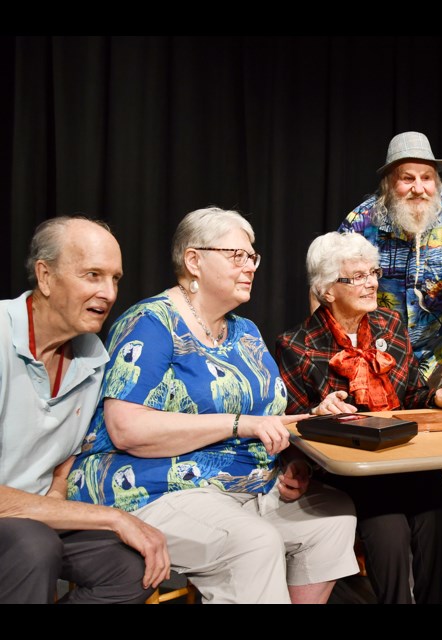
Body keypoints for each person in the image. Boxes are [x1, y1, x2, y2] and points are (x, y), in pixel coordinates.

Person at [67, 207, 358, 604]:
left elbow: (263, 421)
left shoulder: (246, 332)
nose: (250, 266)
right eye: (237, 255)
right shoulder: (151, 324)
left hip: (248, 486)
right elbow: (126, 429)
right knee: (255, 544)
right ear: (194, 261)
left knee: (333, 516)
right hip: (155, 489)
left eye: (252, 256)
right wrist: (240, 425)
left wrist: (304, 430)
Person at [276, 231, 442, 604]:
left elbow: (413, 392)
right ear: (327, 289)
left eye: (373, 272)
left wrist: (440, 397)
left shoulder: (390, 325)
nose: (372, 283)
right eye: (358, 277)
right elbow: (290, 423)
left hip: (403, 457)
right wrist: (318, 414)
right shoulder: (296, 344)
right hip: (352, 469)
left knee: (441, 509)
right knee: (389, 529)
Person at [0, 216, 169, 604]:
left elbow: (68, 454)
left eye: (115, 279)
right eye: (92, 275)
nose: (108, 293)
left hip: (38, 516)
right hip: (24, 528)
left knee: (133, 569)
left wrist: (57, 492)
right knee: (33, 544)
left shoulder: (93, 355)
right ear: (45, 276)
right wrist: (113, 517)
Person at [337, 131, 442, 385]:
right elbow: (327, 286)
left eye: (426, 178)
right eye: (407, 179)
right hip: (374, 357)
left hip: (438, 358)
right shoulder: (363, 220)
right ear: (389, 183)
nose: (418, 189)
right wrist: (338, 353)